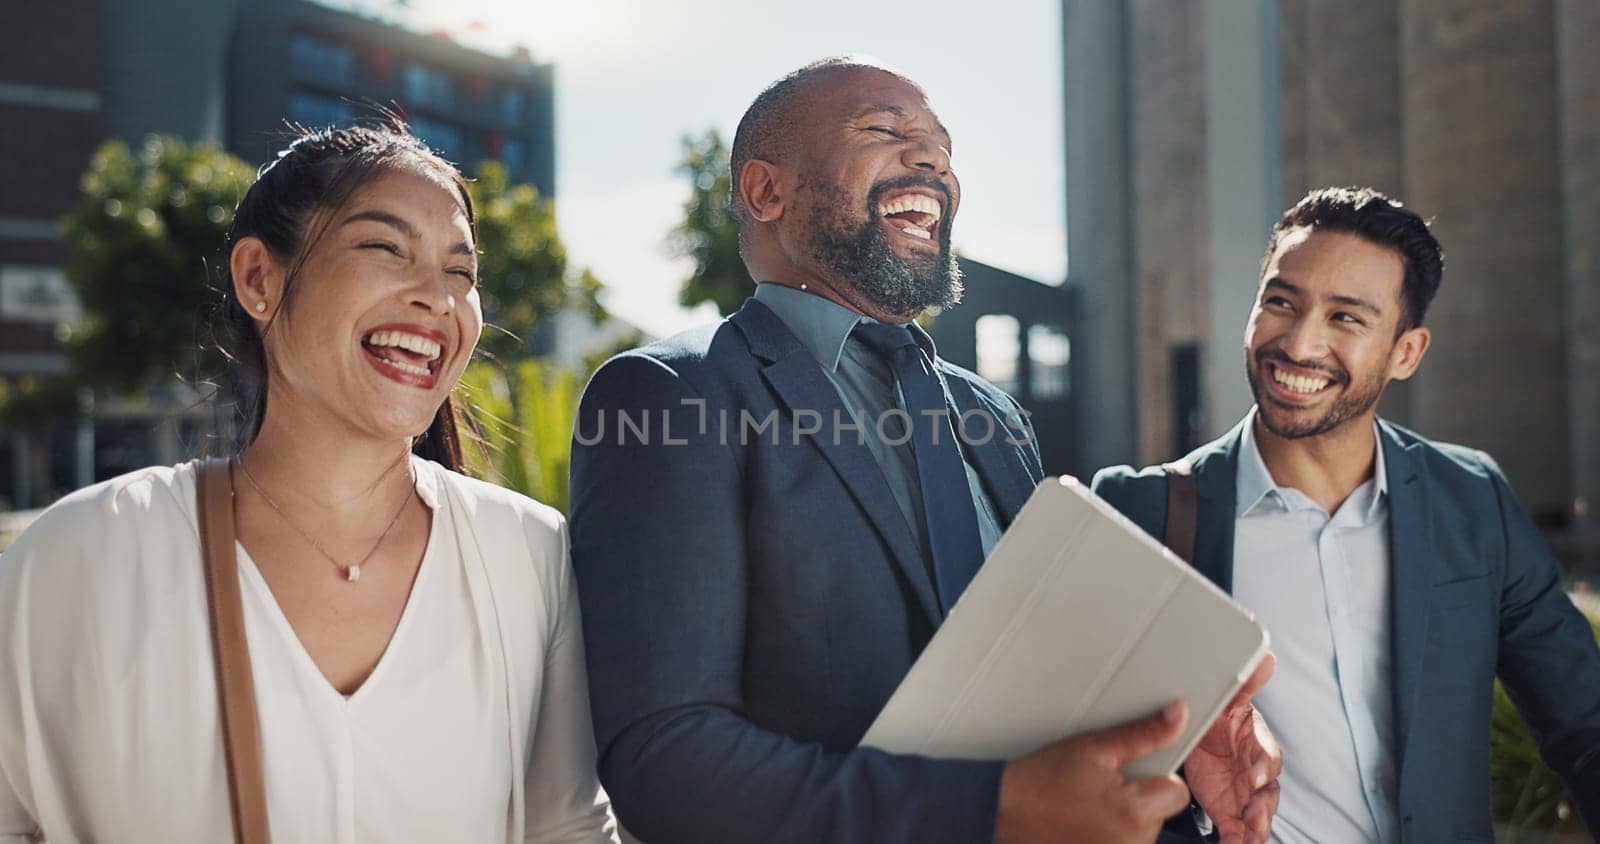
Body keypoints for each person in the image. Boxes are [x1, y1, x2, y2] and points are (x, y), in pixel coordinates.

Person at [569, 57, 1279, 844]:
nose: (933, 161)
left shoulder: (995, 417)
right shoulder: (674, 393)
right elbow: (667, 764)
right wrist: (993, 808)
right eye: (885, 131)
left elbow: (1033, 681)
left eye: (942, 147)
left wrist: (1167, 748)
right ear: (766, 191)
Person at [0, 124, 616, 843]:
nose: (438, 298)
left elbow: (567, 828)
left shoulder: (527, 554)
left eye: (461, 271)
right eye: (385, 247)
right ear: (259, 278)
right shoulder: (83, 554)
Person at [1092, 186, 1600, 841]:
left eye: (1346, 318)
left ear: (1406, 352)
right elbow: (1060, 749)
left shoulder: (1471, 500)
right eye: (1282, 302)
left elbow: (1583, 721)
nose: (1299, 345)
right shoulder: (1140, 511)